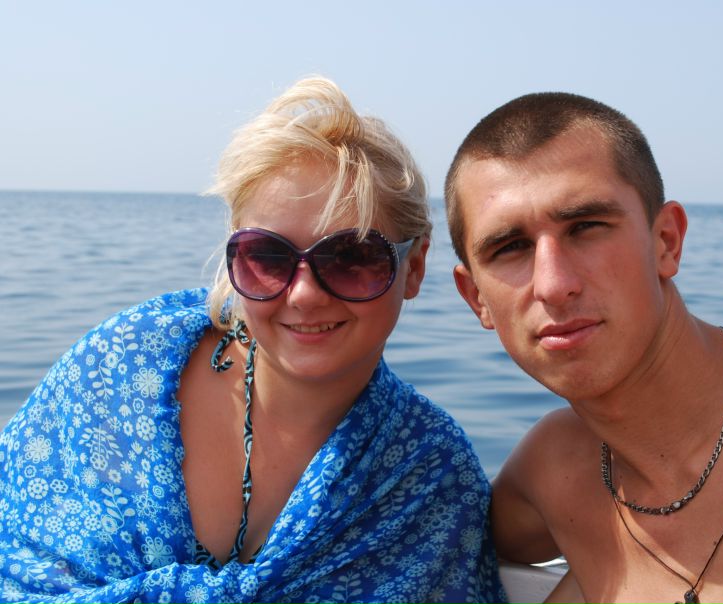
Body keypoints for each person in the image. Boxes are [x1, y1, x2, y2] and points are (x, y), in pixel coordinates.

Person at [0, 77, 505, 603]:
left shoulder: (428, 476)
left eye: (351, 257)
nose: (304, 294)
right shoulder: (120, 368)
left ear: (414, 266)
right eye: (268, 256)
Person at [445, 91, 723, 603]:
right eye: (511, 247)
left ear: (666, 241)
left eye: (586, 227)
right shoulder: (552, 474)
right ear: (476, 298)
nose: (554, 285)